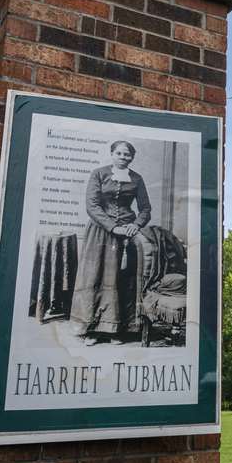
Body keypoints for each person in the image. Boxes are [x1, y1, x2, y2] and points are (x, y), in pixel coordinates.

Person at [70, 140, 151, 344]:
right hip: (100, 232)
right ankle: (92, 330)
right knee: (95, 277)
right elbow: (92, 205)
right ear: (112, 154)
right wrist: (112, 227)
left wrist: (136, 225)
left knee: (122, 279)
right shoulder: (99, 174)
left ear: (132, 157)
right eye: (119, 154)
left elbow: (145, 209)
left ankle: (118, 330)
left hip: (127, 234)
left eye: (127, 155)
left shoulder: (137, 179)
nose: (123, 158)